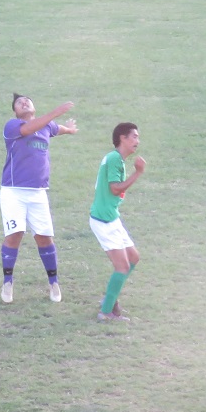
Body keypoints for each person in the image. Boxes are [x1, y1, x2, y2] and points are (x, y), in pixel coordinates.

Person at [0, 95, 78, 304]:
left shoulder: (47, 126)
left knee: (44, 237)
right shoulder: (12, 126)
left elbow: (56, 128)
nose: (24, 103)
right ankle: (7, 282)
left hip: (38, 192)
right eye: (19, 103)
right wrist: (56, 112)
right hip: (13, 191)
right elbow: (29, 129)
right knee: (15, 235)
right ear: (15, 112)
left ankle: (54, 283)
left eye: (27, 100)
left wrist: (69, 130)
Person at [89, 124, 146, 323]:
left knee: (133, 257)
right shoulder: (114, 159)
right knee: (122, 266)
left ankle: (110, 298)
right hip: (104, 221)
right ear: (123, 138)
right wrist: (138, 173)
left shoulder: (117, 159)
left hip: (111, 217)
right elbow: (115, 189)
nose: (137, 141)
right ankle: (106, 312)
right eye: (134, 137)